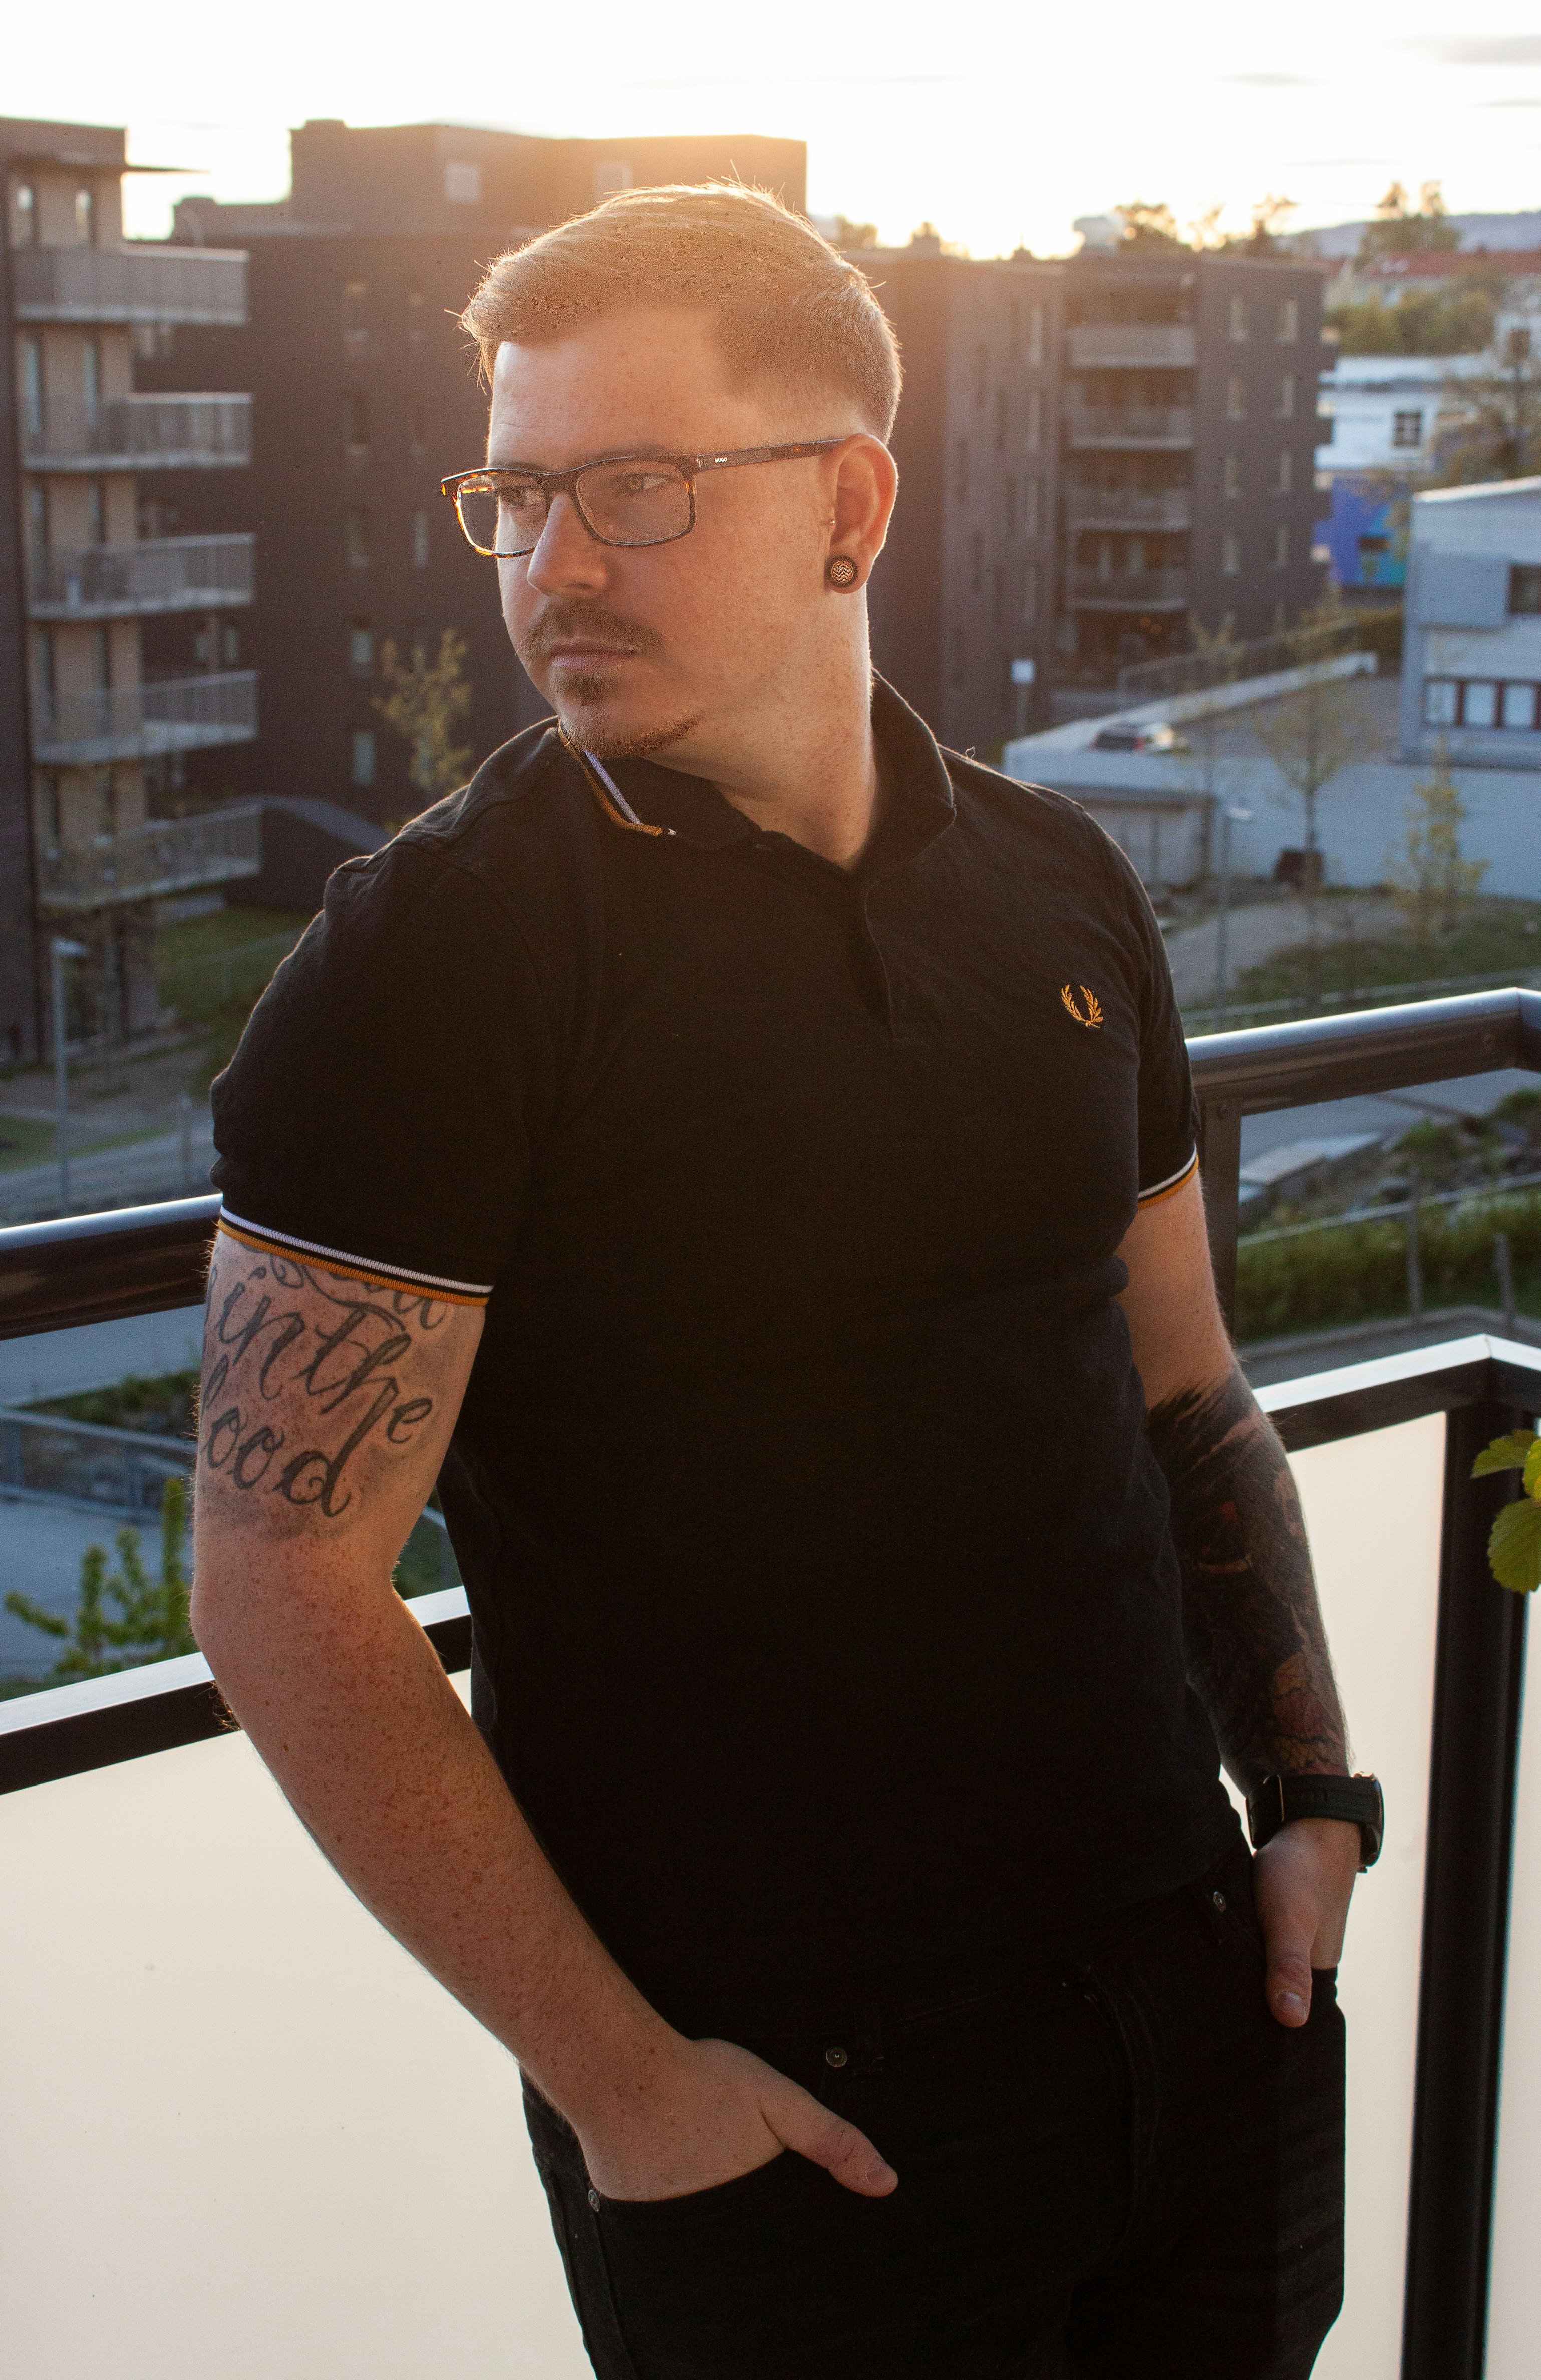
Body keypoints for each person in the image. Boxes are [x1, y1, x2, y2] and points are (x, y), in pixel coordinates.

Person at [194, 184, 1380, 2379]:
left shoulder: (1056, 889)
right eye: (515, 496)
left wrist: (1308, 1804)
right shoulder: (432, 966)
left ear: (847, 501)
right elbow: (282, 1588)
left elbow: (1181, 1389)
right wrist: (632, 2096)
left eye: (634, 489)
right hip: (791, 2115)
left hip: (1202, 1994)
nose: (553, 566)